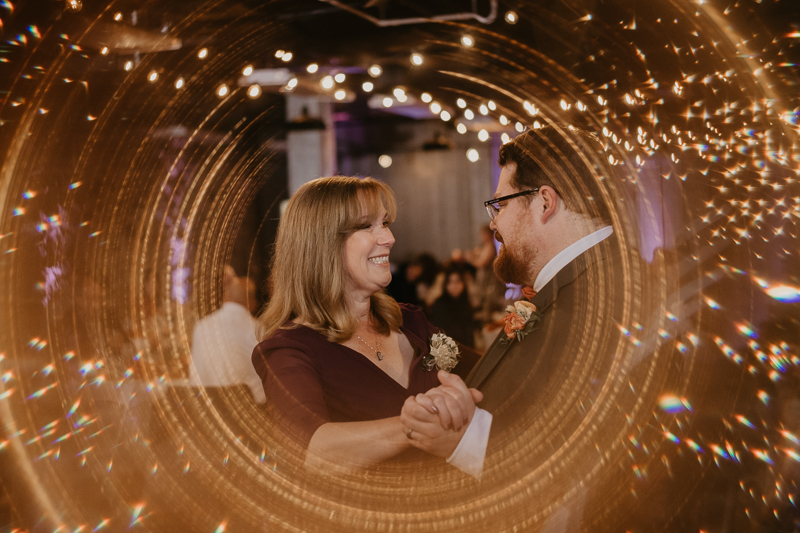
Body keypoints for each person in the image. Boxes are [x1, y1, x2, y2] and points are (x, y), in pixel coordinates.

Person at [401, 125, 633, 481]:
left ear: (544, 202)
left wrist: (465, 444)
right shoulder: (581, 282)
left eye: (501, 204)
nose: (495, 222)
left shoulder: (601, 297)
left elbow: (591, 446)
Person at [251, 176, 481, 472]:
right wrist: (416, 424)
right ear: (321, 244)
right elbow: (310, 451)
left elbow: (490, 374)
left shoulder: (409, 320)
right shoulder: (290, 350)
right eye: (366, 226)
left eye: (384, 223)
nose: (388, 238)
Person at [190, 265, 265, 404]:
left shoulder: (201, 327)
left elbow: (195, 378)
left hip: (208, 408)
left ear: (225, 297)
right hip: (249, 409)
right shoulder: (259, 329)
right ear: (253, 304)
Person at [426, 265, 477, 348]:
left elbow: (469, 335)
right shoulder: (439, 305)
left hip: (465, 352)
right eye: (450, 282)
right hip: (444, 351)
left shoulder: (466, 304)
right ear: (445, 284)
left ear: (463, 284)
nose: (454, 286)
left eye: (457, 281)